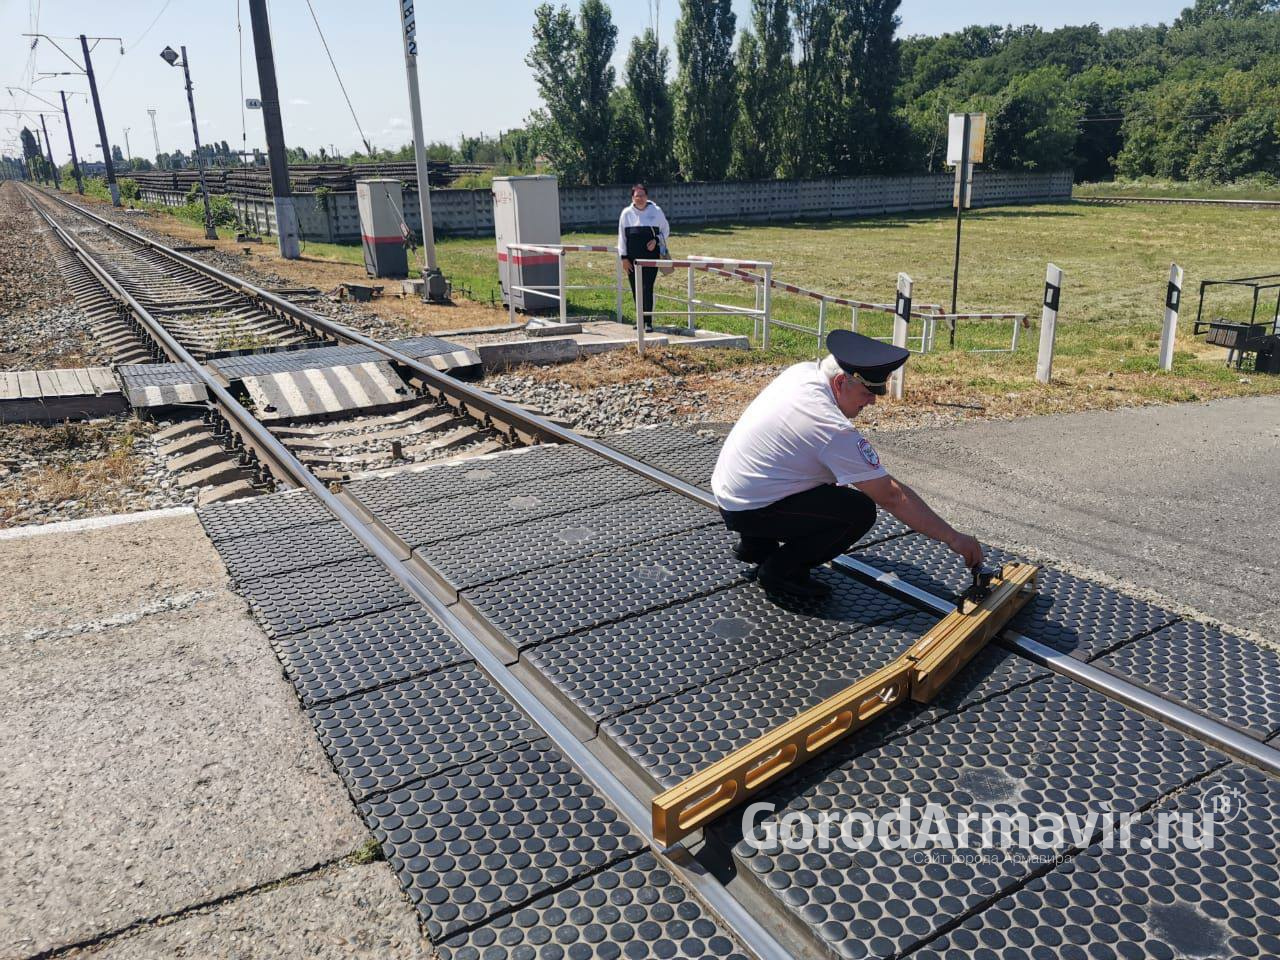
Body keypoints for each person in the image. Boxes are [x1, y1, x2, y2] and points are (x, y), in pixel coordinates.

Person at [711, 330, 984, 598]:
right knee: (859, 511)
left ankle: (755, 545)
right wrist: (953, 538)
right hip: (751, 508)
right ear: (841, 382)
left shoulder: (803, 373)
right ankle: (781, 571)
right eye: (868, 392)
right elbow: (891, 496)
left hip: (733, 492)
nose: (873, 401)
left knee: (815, 476)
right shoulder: (830, 426)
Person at [618, 183, 669, 331]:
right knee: (636, 289)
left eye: (642, 195)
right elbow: (622, 237)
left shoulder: (656, 211)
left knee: (647, 288)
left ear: (647, 196)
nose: (640, 198)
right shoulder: (626, 214)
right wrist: (623, 258)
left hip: (650, 258)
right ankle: (640, 320)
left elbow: (666, 230)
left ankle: (648, 322)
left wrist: (657, 240)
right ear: (632, 197)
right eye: (637, 195)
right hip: (632, 260)